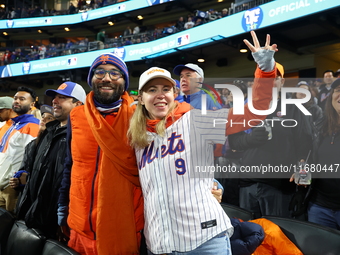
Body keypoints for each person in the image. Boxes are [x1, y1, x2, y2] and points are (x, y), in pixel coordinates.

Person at [127, 31, 279, 254]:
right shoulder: (137, 139)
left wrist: (266, 72)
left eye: (166, 89)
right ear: (140, 98)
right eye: (152, 90)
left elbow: (254, 112)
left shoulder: (196, 121)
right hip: (160, 244)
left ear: (174, 93)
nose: (160, 95)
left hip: (205, 240)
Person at [58, 53, 144, 255]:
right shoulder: (76, 116)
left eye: (115, 73)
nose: (107, 78)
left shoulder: (139, 115)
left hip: (126, 225)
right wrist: (62, 209)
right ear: (91, 79)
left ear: (124, 81)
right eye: (100, 72)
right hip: (80, 225)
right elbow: (69, 165)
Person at [228, 64, 314, 219]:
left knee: (277, 238)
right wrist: (250, 139)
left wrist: (302, 189)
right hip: (248, 185)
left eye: (274, 78)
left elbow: (306, 148)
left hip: (279, 188)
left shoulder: (295, 109)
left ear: (282, 81)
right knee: (249, 237)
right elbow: (234, 143)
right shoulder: (246, 109)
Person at [12, 82, 86, 239]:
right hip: (32, 214)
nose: (54, 101)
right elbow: (38, 172)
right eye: (54, 97)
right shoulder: (49, 132)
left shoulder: (82, 136)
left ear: (78, 104)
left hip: (56, 223)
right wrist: (24, 180)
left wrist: (64, 219)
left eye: (62, 98)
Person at [0, 87, 40, 214]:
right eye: (15, 98)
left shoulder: (33, 126)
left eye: (22, 99)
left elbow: (31, 159)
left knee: (10, 227)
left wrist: (19, 181)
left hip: (13, 187)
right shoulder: (13, 125)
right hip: (3, 184)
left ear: (32, 104)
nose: (17, 101)